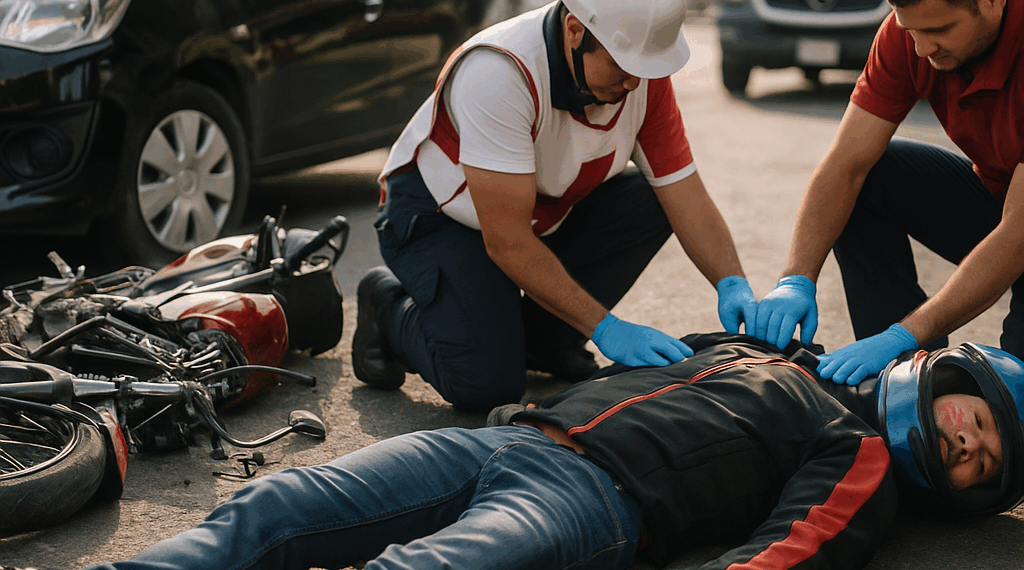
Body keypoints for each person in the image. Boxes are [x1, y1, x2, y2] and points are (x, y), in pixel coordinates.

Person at [82, 333, 1024, 570]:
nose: (963, 445)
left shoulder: (853, 449)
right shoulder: (770, 351)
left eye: (975, 464)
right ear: (947, 380)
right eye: (973, 421)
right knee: (273, 511)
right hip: (505, 440)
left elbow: (790, 548)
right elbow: (628, 362)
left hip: (592, 505)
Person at [351, 0, 757, 412]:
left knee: (651, 202)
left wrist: (732, 283)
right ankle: (387, 306)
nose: (635, 84)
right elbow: (507, 242)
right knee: (485, 387)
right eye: (623, 66)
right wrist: (605, 328)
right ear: (575, 31)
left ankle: (544, 342)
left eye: (645, 68)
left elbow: (685, 194)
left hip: (539, 213)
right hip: (443, 216)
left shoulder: (639, 76)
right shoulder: (499, 72)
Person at [753, 0, 1024, 387]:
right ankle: (907, 383)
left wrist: (906, 332)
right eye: (911, 29)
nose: (921, 49)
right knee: (870, 178)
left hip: (1020, 226)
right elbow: (847, 165)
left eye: (940, 30)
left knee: (1010, 410)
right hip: (1004, 201)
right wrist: (796, 278)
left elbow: (1017, 237)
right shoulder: (910, 34)